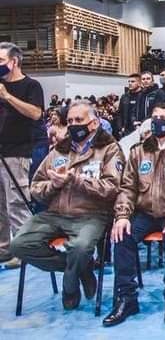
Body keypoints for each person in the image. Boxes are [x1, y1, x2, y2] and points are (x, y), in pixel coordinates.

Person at [10, 101, 124, 310]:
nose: (73, 125)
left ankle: (70, 286)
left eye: (79, 120)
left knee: (80, 248)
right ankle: (82, 269)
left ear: (94, 123)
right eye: (70, 120)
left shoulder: (109, 149)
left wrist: (76, 180)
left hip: (91, 214)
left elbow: (112, 188)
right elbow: (35, 187)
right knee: (19, 245)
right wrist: (53, 185)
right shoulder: (58, 150)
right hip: (54, 213)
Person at [103, 103, 165, 327]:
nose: (157, 121)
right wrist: (123, 216)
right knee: (121, 235)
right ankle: (126, 297)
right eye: (154, 117)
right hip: (144, 211)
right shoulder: (139, 151)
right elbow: (127, 188)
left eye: (163, 117)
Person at [0, 42, 44, 269]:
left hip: (18, 152)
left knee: (17, 202)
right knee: (0, 206)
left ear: (14, 61)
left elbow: (36, 114)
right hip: (0, 150)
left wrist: (7, 97)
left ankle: (24, 247)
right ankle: (5, 248)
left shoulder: (31, 86)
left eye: (1, 61)